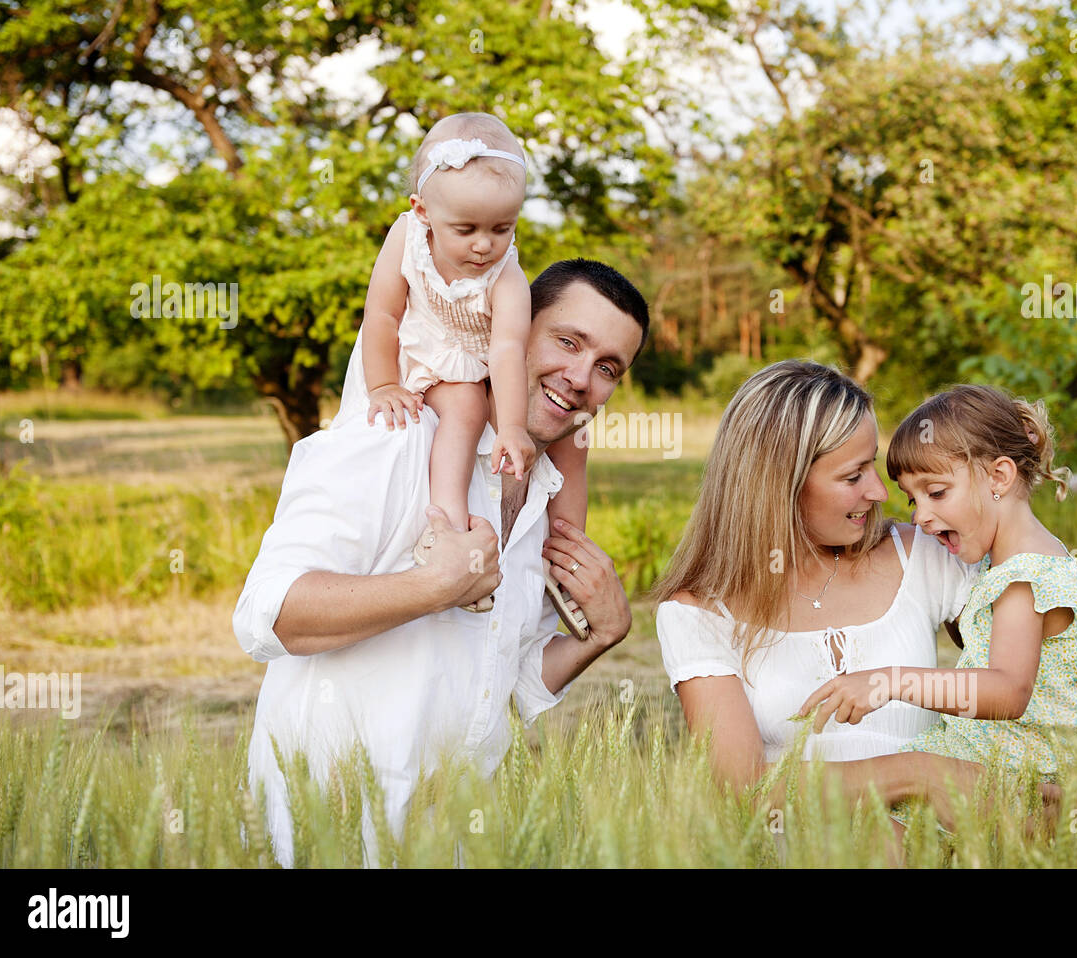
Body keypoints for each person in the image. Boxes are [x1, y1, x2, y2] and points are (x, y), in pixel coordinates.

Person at [233, 258, 649, 866]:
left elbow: (501, 683)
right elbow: (267, 616)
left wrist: (600, 637)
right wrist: (435, 586)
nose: (582, 377)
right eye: (568, 341)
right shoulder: (396, 435)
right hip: (328, 838)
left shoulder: (541, 495)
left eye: (608, 367)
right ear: (512, 328)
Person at [652, 361, 986, 811]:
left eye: (872, 466)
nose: (879, 492)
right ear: (777, 485)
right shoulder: (699, 614)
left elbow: (1025, 688)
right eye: (853, 476)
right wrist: (918, 773)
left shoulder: (924, 556)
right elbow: (746, 790)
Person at [798, 384, 1077, 828]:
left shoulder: (1025, 580)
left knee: (873, 820)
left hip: (1021, 769)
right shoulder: (1009, 563)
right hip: (1006, 756)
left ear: (999, 478)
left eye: (937, 492)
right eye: (912, 498)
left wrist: (889, 682)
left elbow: (1007, 693)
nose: (919, 517)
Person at [331, 112, 589, 629]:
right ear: (422, 210)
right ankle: (425, 530)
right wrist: (384, 383)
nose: (483, 245)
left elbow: (508, 349)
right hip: (406, 349)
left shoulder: (507, 276)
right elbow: (381, 314)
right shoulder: (404, 237)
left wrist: (513, 427)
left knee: (508, 418)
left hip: (469, 360)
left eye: (502, 228)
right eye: (465, 229)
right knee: (429, 419)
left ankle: (500, 546)